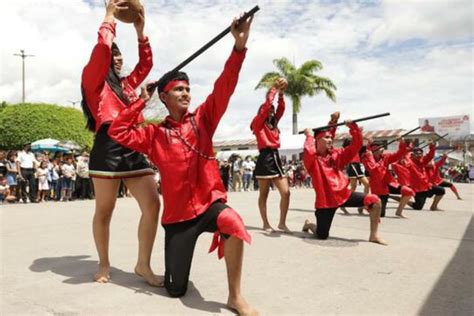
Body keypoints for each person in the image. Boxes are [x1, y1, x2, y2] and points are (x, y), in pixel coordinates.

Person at [108, 14, 257, 315]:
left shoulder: (204, 120)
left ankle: (235, 296)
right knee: (176, 290)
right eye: (179, 90)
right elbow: (117, 131)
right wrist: (139, 101)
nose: (186, 94)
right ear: (164, 97)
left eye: (188, 89)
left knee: (233, 222)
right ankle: (171, 273)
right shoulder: (153, 134)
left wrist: (238, 48)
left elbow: (224, 86)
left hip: (209, 204)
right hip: (177, 219)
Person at [80, 0, 161, 286]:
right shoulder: (92, 82)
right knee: (105, 210)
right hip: (108, 146)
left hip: (133, 143)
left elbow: (146, 64)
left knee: (152, 205)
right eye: (112, 55)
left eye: (119, 55)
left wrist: (141, 31)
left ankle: (143, 264)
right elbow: (102, 49)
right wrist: (109, 17)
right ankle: (103, 263)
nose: (116, 58)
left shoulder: (126, 86)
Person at [301, 114, 386, 245]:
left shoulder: (337, 155)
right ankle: (309, 225)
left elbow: (356, 146)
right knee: (322, 235)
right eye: (326, 137)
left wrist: (353, 127)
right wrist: (309, 136)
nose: (330, 140)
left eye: (331, 138)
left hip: (343, 195)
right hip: (325, 202)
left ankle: (373, 235)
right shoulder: (311, 160)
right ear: (317, 140)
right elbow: (309, 151)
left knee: (375, 201)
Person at [250, 77, 291, 233]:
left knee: (286, 192)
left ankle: (282, 223)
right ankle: (265, 223)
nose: (272, 111)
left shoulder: (273, 123)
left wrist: (281, 94)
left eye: (272, 110)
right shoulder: (258, 122)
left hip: (276, 156)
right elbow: (268, 104)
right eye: (269, 110)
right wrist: (274, 88)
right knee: (264, 194)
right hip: (265, 158)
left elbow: (281, 108)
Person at [361, 140, 414, 218]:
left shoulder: (386, 157)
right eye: (379, 149)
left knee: (408, 191)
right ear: (373, 150)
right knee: (381, 214)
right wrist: (370, 156)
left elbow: (398, 155)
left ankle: (398, 212)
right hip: (378, 188)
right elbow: (374, 169)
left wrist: (402, 144)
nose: (382, 150)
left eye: (382, 148)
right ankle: (365, 205)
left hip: (388, 184)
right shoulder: (366, 158)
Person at [392, 144, 445, 211]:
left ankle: (433, 206)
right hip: (417, 189)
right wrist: (405, 149)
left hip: (427, 186)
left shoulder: (423, 162)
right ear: (412, 155)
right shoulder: (409, 162)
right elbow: (403, 156)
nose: (419, 155)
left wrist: (432, 147)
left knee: (441, 190)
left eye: (420, 154)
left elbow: (430, 156)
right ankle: (400, 200)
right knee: (418, 207)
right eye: (417, 154)